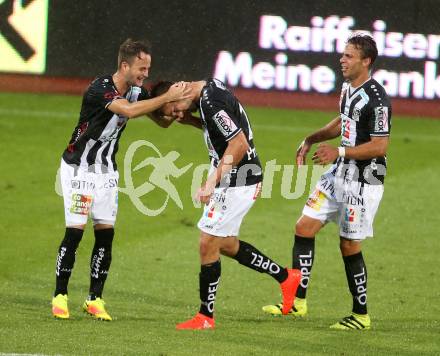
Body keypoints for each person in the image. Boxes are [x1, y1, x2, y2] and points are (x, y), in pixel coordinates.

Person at [51, 38, 190, 321]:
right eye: (141, 67)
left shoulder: (136, 91)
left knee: (105, 236)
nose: (145, 73)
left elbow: (160, 120)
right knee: (75, 233)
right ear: (125, 65)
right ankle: (60, 295)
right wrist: (165, 97)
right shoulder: (100, 88)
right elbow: (127, 111)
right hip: (80, 169)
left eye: (148, 67)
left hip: (106, 173)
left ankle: (95, 299)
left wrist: (176, 109)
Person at [262, 34, 392, 330]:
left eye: (348, 56)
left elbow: (380, 146)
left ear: (365, 61)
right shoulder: (348, 89)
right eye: (343, 55)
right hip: (338, 173)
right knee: (303, 227)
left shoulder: (378, 99)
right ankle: (297, 303)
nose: (342, 60)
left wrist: (339, 151)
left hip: (363, 180)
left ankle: (360, 315)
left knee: (348, 244)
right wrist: (312, 138)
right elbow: (342, 121)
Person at [150, 78, 302, 330]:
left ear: (178, 89)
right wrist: (193, 121)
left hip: (239, 179)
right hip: (237, 176)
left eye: (175, 109)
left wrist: (212, 180)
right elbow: (225, 129)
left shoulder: (210, 102)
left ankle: (205, 317)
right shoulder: (209, 89)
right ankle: (286, 277)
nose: (178, 115)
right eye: (174, 113)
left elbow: (239, 143)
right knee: (226, 243)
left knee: (207, 241)